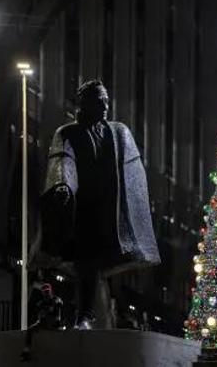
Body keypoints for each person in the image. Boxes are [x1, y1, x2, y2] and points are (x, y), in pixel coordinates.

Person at [34, 80, 160, 330]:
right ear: (85, 103)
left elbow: (131, 168)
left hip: (109, 211)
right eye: (99, 100)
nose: (105, 105)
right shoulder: (68, 132)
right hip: (81, 210)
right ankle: (82, 314)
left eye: (106, 100)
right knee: (84, 262)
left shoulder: (117, 131)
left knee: (100, 264)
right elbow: (63, 161)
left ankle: (96, 314)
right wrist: (63, 185)